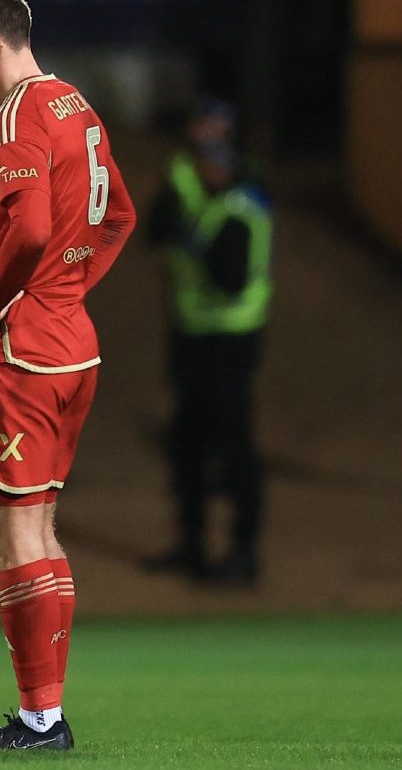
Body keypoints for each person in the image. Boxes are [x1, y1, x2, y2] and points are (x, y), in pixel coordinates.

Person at [0, 0, 136, 750]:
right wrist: (66, 289)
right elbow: (118, 213)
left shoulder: (14, 116)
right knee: (38, 530)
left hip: (19, 350)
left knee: (9, 536)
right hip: (72, 341)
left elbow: (35, 229)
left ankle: (41, 718)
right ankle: (44, 713)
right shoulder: (74, 103)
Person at [142, 139, 272, 584]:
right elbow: (152, 232)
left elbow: (230, 279)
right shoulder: (205, 204)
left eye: (217, 163)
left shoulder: (241, 211)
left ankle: (243, 553)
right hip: (193, 341)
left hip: (231, 345)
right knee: (187, 446)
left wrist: (194, 242)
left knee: (236, 451)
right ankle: (191, 544)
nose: (208, 171)